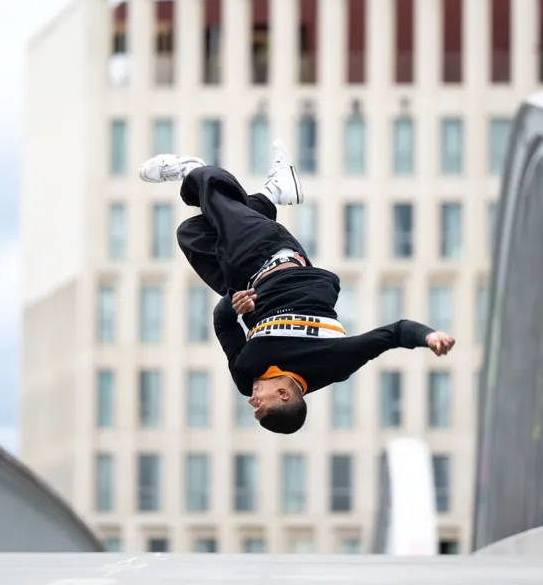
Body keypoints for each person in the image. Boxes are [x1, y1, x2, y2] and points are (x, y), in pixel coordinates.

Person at [138, 140, 456, 435]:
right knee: (212, 194)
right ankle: (192, 171)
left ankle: (272, 194)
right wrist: (429, 336)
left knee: (192, 233)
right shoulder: (333, 362)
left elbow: (223, 325)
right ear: (283, 394)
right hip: (273, 253)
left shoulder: (246, 373)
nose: (250, 399)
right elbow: (394, 333)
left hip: (241, 280)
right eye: (259, 405)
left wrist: (232, 304)